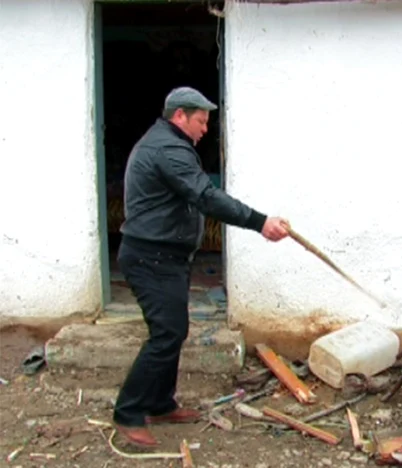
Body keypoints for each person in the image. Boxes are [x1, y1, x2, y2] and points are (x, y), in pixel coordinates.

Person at [113, 86, 289, 447]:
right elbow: (206, 196)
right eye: (201, 120)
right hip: (150, 257)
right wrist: (260, 222)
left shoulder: (168, 144)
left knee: (173, 331)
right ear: (179, 116)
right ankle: (128, 412)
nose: (205, 129)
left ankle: (160, 403)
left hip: (165, 257)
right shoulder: (168, 149)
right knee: (166, 334)